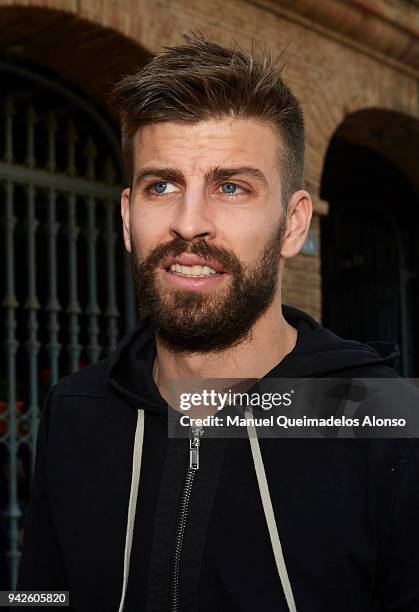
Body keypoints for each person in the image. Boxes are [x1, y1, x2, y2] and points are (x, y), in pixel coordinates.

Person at [17, 33, 419, 611]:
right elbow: (40, 593)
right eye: (162, 185)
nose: (189, 223)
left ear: (293, 224)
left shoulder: (386, 422)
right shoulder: (75, 409)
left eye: (231, 187)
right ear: (129, 216)